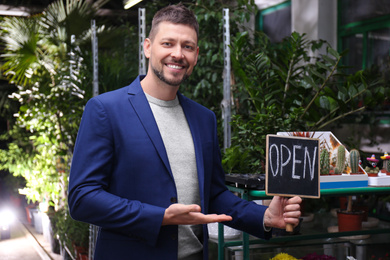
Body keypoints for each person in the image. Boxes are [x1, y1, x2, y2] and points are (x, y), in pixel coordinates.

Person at [68, 3, 302, 260]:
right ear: (148, 47)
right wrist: (160, 217)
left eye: (187, 46)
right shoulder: (105, 110)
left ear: (196, 54)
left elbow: (213, 195)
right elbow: (83, 199)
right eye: (167, 43)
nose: (178, 54)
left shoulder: (204, 118)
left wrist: (264, 217)